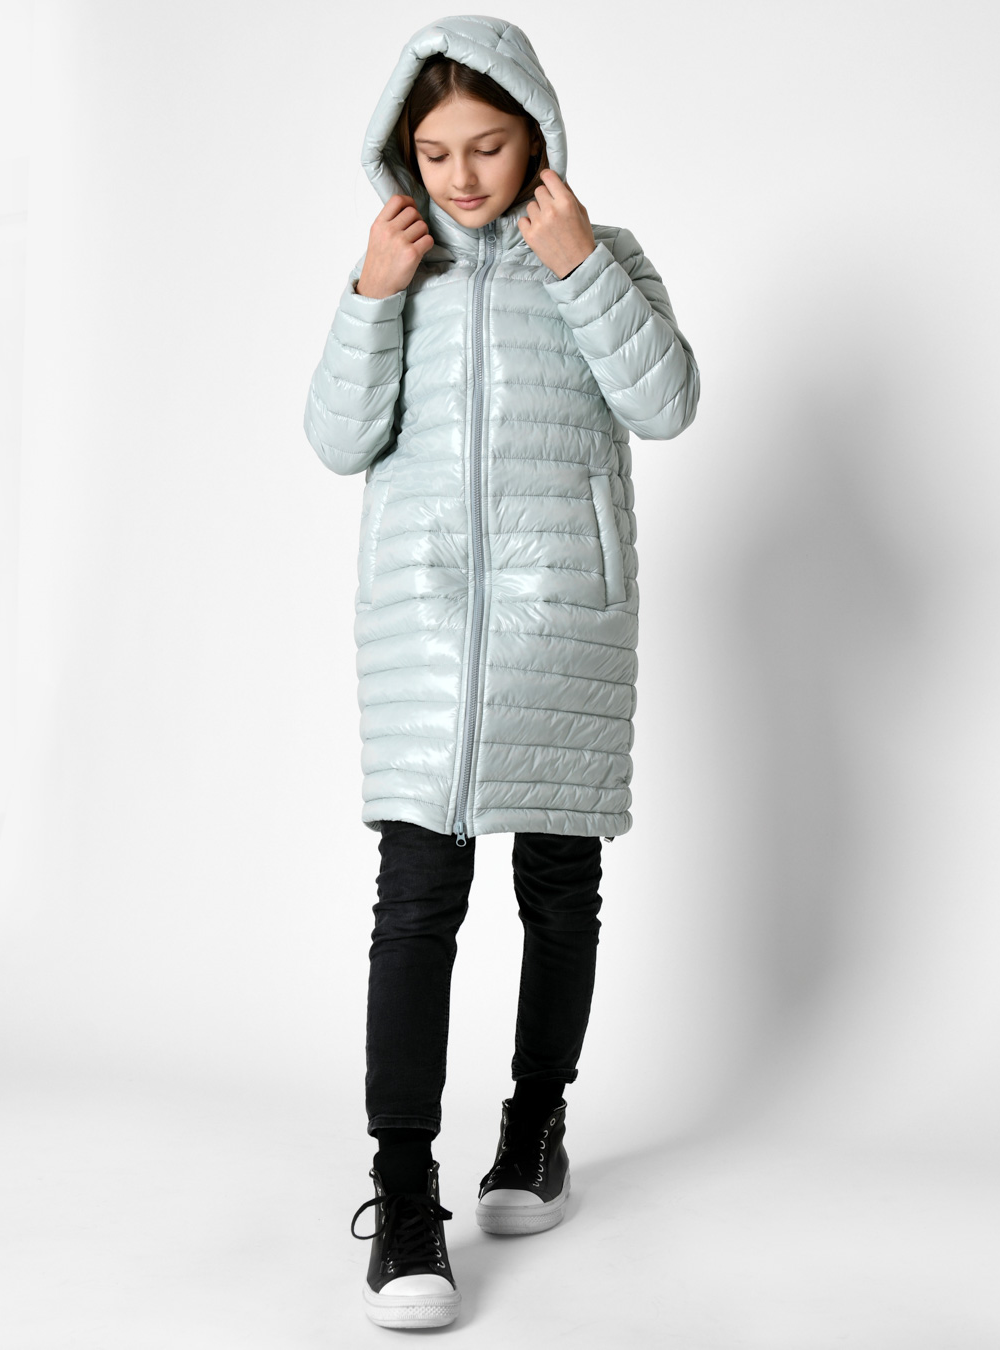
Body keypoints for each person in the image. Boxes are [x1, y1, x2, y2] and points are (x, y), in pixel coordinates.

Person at [303, 14, 699, 1330]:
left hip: (561, 620)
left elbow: (666, 403)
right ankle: (404, 1195)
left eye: (486, 145)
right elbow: (336, 438)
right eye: (436, 151)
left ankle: (534, 1131)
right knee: (416, 898)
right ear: (403, 153)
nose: (462, 175)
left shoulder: (600, 253)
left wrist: (580, 266)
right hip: (424, 628)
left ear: (535, 135)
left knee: (558, 882)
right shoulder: (394, 265)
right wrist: (370, 293)